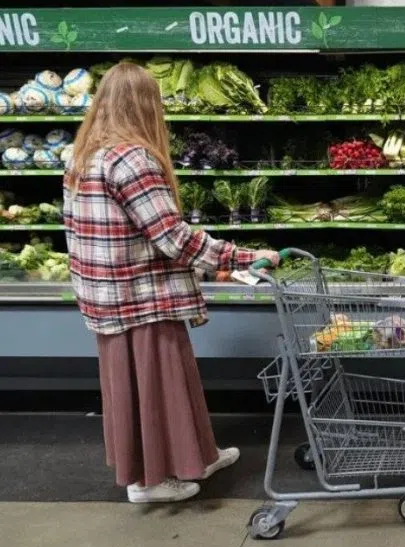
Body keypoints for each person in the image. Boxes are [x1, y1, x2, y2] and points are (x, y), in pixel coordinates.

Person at [63, 62, 279, 504]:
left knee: (154, 385)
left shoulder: (82, 154)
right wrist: (243, 256)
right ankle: (150, 482)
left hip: (105, 296)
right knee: (156, 387)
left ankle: (196, 456)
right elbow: (172, 237)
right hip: (140, 295)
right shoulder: (132, 158)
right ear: (146, 106)